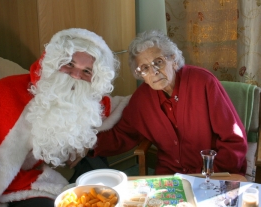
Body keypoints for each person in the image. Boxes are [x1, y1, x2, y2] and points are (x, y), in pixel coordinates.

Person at [0, 28, 119, 207]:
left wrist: (81, 146)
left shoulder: (84, 97)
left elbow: (109, 107)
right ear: (53, 62)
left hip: (39, 167)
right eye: (69, 64)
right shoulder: (4, 96)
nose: (76, 76)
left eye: (87, 71)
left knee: (104, 181)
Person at [70, 29, 248, 176]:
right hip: (170, 176)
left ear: (174, 60)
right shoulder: (142, 99)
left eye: (159, 62)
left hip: (212, 173)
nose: (154, 72)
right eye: (145, 68)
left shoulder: (203, 83)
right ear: (140, 75)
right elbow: (123, 135)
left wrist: (211, 174)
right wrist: (87, 146)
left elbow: (234, 140)